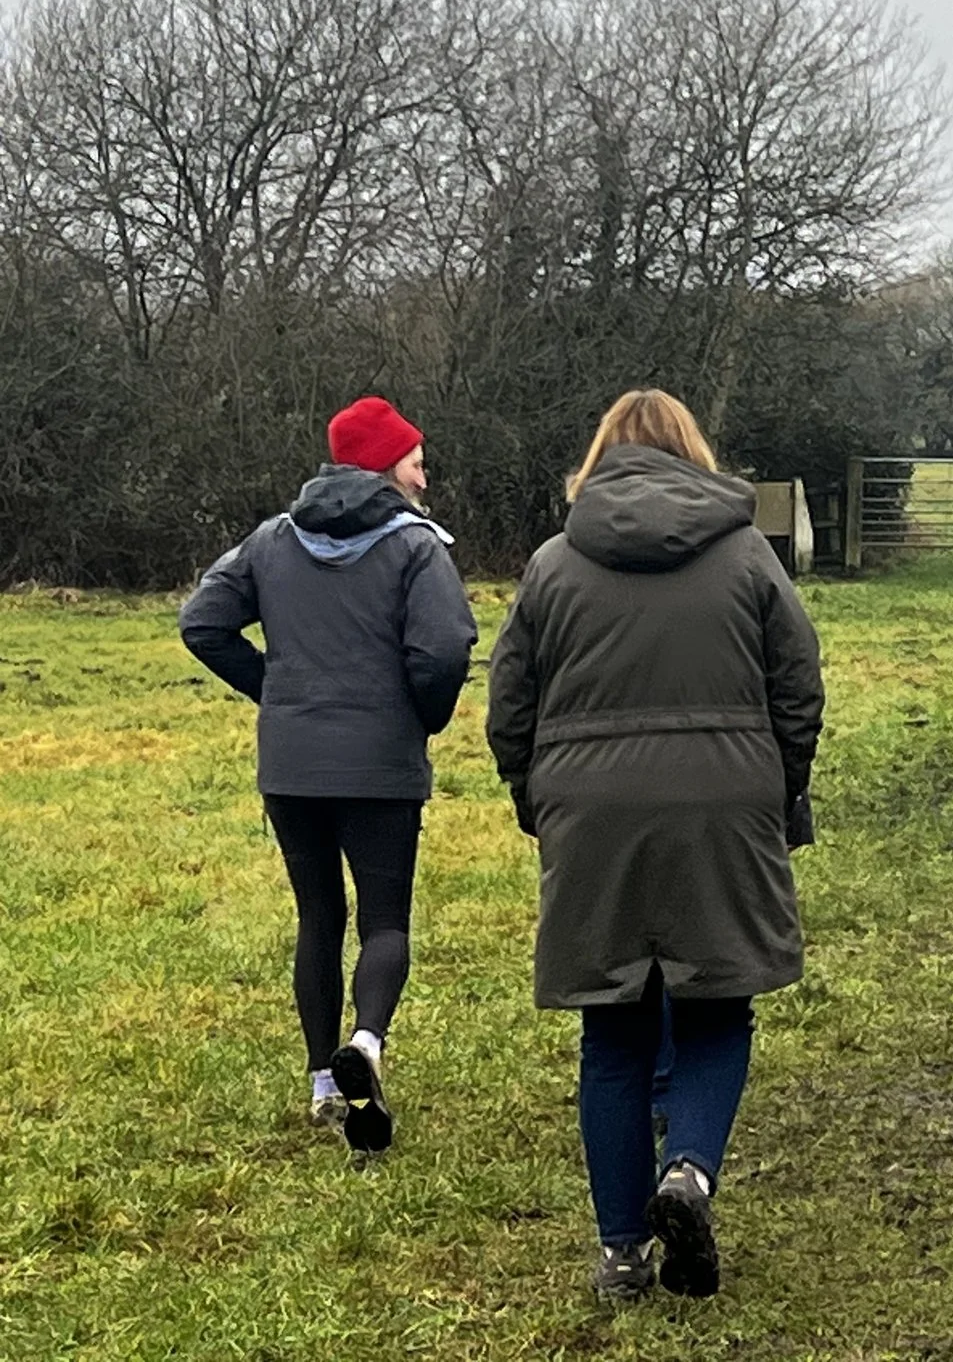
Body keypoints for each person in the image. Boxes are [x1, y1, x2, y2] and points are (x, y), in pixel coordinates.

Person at [486, 390, 823, 1303]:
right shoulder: (749, 553)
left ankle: (624, 1252)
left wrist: (538, 799)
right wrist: (778, 787)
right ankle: (691, 1173)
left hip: (591, 814)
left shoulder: (554, 566)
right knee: (718, 1013)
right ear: (693, 455)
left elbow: (508, 705)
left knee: (613, 1033)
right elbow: (799, 685)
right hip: (724, 803)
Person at [180, 396, 476, 1154]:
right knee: (385, 920)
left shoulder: (275, 538)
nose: (424, 468)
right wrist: (421, 715)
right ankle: (367, 1043)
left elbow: (202, 621)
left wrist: (275, 688)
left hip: (291, 764)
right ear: (385, 467)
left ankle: (321, 1078)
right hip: (379, 764)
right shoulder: (417, 548)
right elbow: (443, 650)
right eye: (414, 456)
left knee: (318, 915)